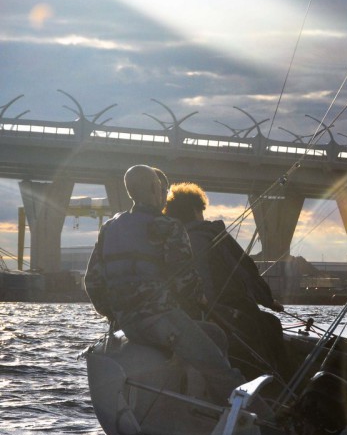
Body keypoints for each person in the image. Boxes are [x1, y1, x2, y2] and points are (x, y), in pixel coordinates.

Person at [84, 165, 241, 403]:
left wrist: (114, 313)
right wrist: (202, 299)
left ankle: (195, 401)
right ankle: (259, 421)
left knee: (215, 335)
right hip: (161, 320)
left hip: (126, 323)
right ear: (153, 188)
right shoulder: (168, 226)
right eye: (160, 188)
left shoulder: (109, 228)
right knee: (219, 367)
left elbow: (92, 281)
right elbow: (184, 280)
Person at [163, 182, 288, 381]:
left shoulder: (168, 239)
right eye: (201, 210)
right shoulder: (208, 234)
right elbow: (244, 269)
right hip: (220, 312)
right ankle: (278, 381)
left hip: (181, 316)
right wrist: (267, 300)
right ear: (196, 210)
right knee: (269, 324)